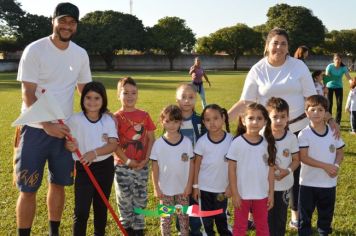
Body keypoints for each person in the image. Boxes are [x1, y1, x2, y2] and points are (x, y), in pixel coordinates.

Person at [228, 27, 338, 229]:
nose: (279, 47)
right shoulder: (258, 69)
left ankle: (295, 216)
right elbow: (246, 102)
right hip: (267, 131)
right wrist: (223, 119)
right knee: (261, 170)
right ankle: (256, 210)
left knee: (294, 173)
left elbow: (310, 97)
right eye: (275, 42)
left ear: (288, 48)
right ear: (267, 46)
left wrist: (329, 118)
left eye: (283, 43)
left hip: (297, 128)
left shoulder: (298, 67)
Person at [14, 2, 92, 236]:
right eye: (63, 20)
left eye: (72, 22)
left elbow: (84, 89)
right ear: (54, 21)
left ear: (76, 26)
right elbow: (28, 92)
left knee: (58, 184)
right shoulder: (35, 49)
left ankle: (53, 232)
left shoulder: (80, 53)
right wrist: (46, 125)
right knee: (28, 188)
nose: (67, 26)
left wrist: (101, 111)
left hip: (64, 130)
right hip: (36, 128)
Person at [65, 81, 118, 236]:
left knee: (101, 207)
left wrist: (94, 153)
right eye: (88, 97)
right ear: (82, 99)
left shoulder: (107, 120)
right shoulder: (74, 120)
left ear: (103, 101)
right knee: (81, 211)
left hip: (105, 168)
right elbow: (68, 143)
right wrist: (70, 145)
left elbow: (113, 145)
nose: (92, 102)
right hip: (84, 169)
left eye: (97, 98)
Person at [113, 77, 156, 236]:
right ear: (118, 95)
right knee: (124, 198)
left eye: (133, 93)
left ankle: (139, 228)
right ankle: (126, 227)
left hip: (142, 165)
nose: (130, 96)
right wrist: (127, 160)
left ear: (137, 95)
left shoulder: (144, 115)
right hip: (122, 166)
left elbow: (151, 138)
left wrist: (146, 159)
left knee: (140, 196)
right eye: (125, 93)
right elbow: (114, 144)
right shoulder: (115, 118)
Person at [298, 95, 345, 235]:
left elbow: (340, 152)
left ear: (326, 113)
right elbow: (304, 158)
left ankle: (324, 232)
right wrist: (325, 166)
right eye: (313, 109)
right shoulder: (304, 134)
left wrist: (336, 166)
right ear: (307, 112)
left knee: (326, 215)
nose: (316, 113)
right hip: (308, 183)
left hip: (328, 184)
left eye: (320, 110)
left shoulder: (333, 131)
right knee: (304, 216)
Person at [227, 103, 276, 235]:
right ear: (243, 120)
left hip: (261, 194)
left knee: (262, 226)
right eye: (251, 118)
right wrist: (235, 193)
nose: (255, 122)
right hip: (242, 194)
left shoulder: (267, 144)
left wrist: (271, 192)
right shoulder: (237, 143)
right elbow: (231, 170)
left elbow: (270, 171)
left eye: (259, 118)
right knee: (239, 227)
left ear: (265, 121)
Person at [150, 105, 194, 236]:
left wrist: (189, 185)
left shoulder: (186, 142)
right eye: (168, 121)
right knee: (165, 217)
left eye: (175, 121)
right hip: (165, 190)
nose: (172, 125)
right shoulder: (158, 144)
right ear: (162, 121)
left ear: (181, 122)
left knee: (183, 217)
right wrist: (156, 187)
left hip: (183, 189)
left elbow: (191, 164)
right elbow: (154, 167)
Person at [192, 104, 232, 236]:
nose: (212, 122)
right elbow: (196, 165)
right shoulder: (202, 142)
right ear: (203, 122)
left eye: (215, 118)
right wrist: (195, 186)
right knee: (207, 221)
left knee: (222, 220)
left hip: (222, 189)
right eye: (208, 120)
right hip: (204, 189)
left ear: (223, 118)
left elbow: (235, 167)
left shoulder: (231, 140)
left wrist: (231, 185)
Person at [265, 97, 300, 236]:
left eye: (283, 116)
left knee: (280, 218)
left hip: (284, 185)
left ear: (288, 117)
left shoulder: (291, 137)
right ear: (268, 117)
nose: (279, 120)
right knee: (266, 218)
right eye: (275, 117)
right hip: (265, 186)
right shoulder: (262, 136)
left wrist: (287, 170)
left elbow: (296, 160)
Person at [175, 83, 205, 235]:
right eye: (183, 97)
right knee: (180, 201)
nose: (187, 100)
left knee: (194, 200)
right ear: (177, 100)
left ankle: (196, 230)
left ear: (196, 99)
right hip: (178, 170)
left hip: (196, 169)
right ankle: (181, 229)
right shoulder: (172, 122)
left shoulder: (200, 121)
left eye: (191, 97)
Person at [324, 53, 353, 124]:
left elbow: (348, 77)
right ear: (333, 60)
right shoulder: (330, 66)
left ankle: (338, 122)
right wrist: (324, 87)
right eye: (336, 59)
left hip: (339, 87)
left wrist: (353, 84)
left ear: (341, 60)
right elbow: (326, 77)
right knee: (329, 104)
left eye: (339, 59)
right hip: (329, 87)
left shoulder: (343, 67)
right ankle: (329, 121)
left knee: (339, 105)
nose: (337, 60)